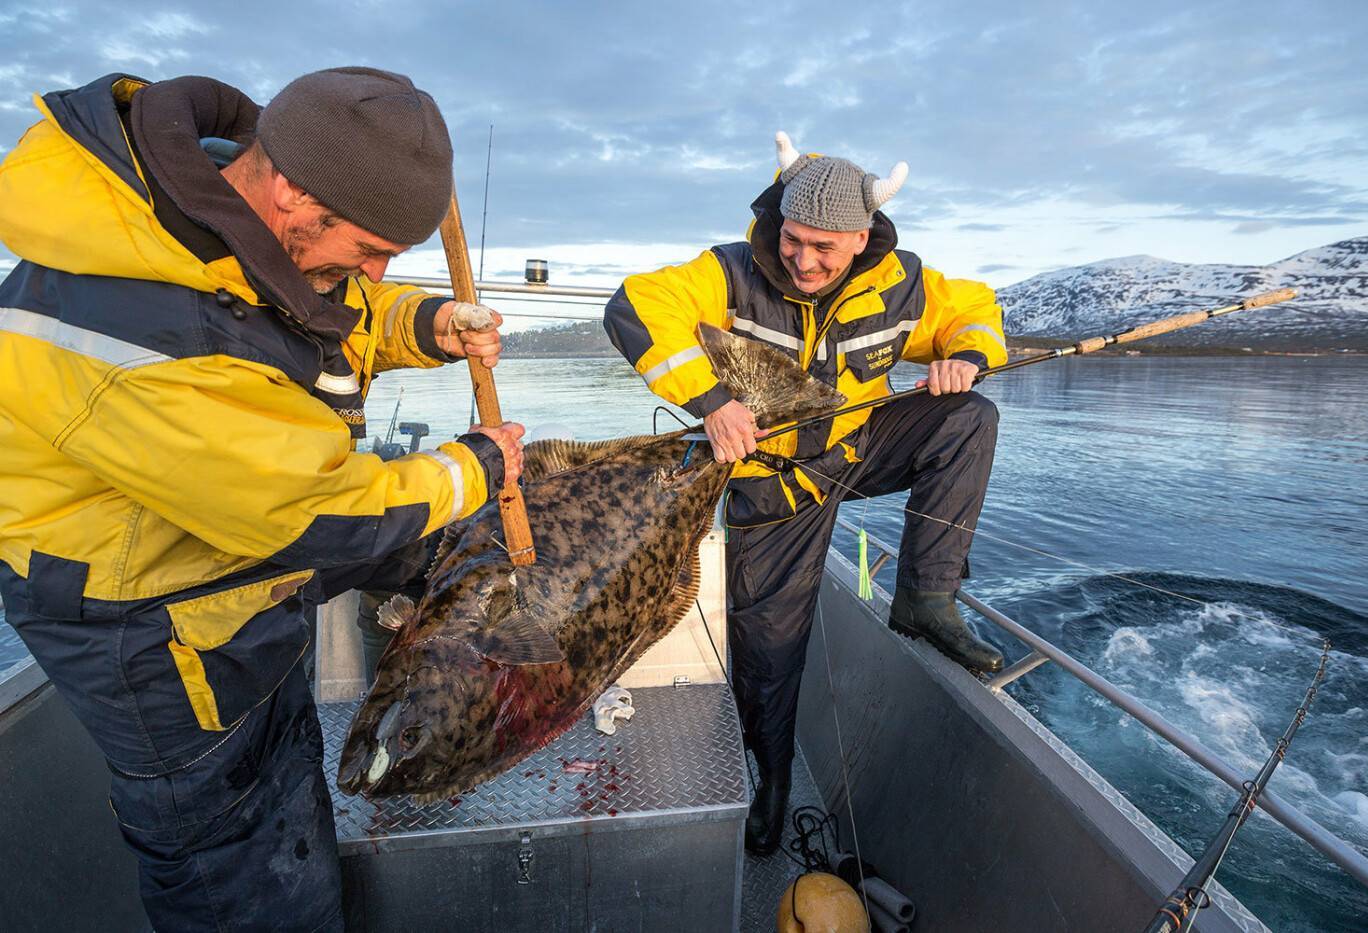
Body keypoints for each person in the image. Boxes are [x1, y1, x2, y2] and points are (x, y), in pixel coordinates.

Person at [0, 68, 524, 931]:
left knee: (288, 793)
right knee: (244, 877)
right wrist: (472, 465)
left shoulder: (226, 220)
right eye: (370, 245)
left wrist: (426, 323)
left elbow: (330, 308)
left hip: (235, 582)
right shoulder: (138, 319)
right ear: (290, 192)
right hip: (158, 636)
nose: (381, 268)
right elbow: (314, 512)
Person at [604, 132, 1008, 856]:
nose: (804, 259)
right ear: (778, 222)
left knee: (969, 417)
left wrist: (968, 354)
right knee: (770, 649)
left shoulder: (903, 282)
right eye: (793, 239)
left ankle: (926, 598)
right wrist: (710, 399)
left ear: (862, 237)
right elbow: (635, 305)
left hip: (855, 448)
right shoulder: (730, 269)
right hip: (772, 484)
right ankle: (770, 780)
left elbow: (971, 308)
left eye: (825, 247)